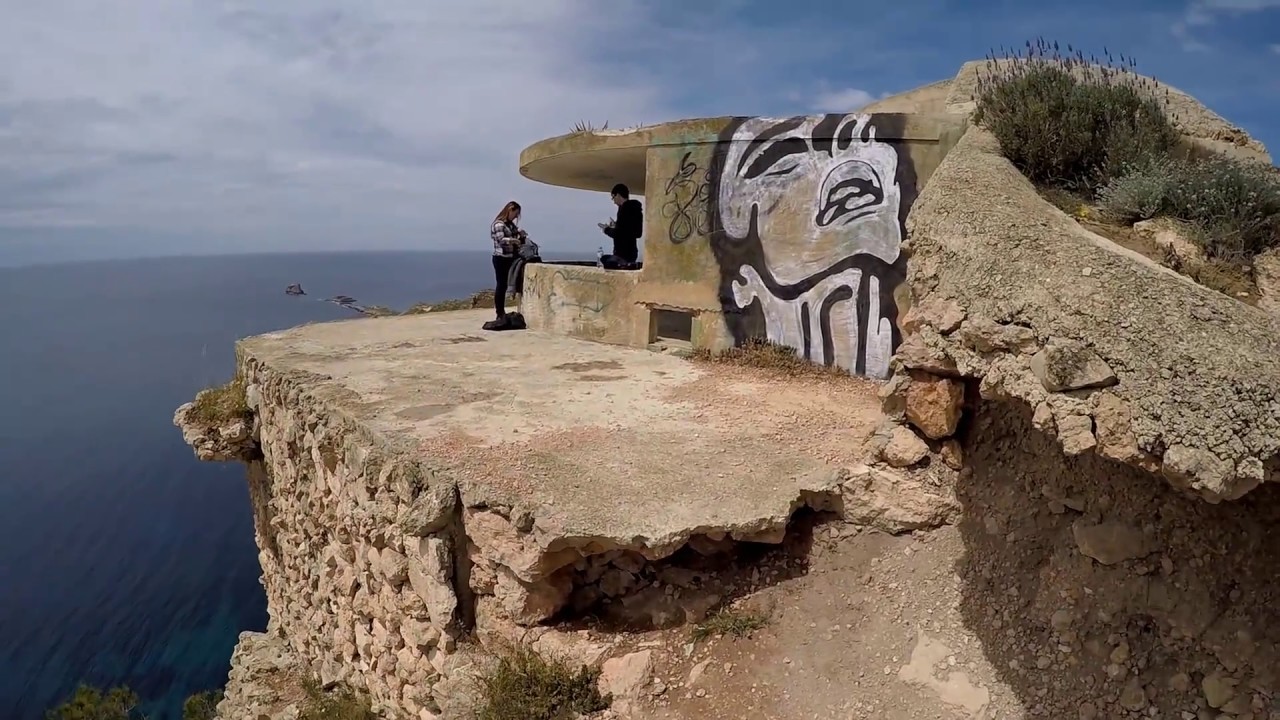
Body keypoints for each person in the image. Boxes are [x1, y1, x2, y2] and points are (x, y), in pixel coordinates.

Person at [488, 200, 525, 327]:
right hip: (501, 257)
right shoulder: (498, 224)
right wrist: (513, 240)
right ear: (509, 210)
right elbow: (501, 240)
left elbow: (516, 233)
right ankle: (500, 312)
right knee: (501, 285)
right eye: (515, 213)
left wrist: (520, 234)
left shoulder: (510, 225)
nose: (516, 217)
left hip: (511, 257)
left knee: (509, 282)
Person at [597, 183, 643, 268]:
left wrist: (606, 229)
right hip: (632, 253)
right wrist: (616, 226)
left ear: (618, 195)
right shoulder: (636, 210)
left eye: (613, 197)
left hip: (622, 254)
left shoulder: (624, 210)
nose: (613, 201)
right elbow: (636, 232)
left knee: (604, 259)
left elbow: (618, 234)